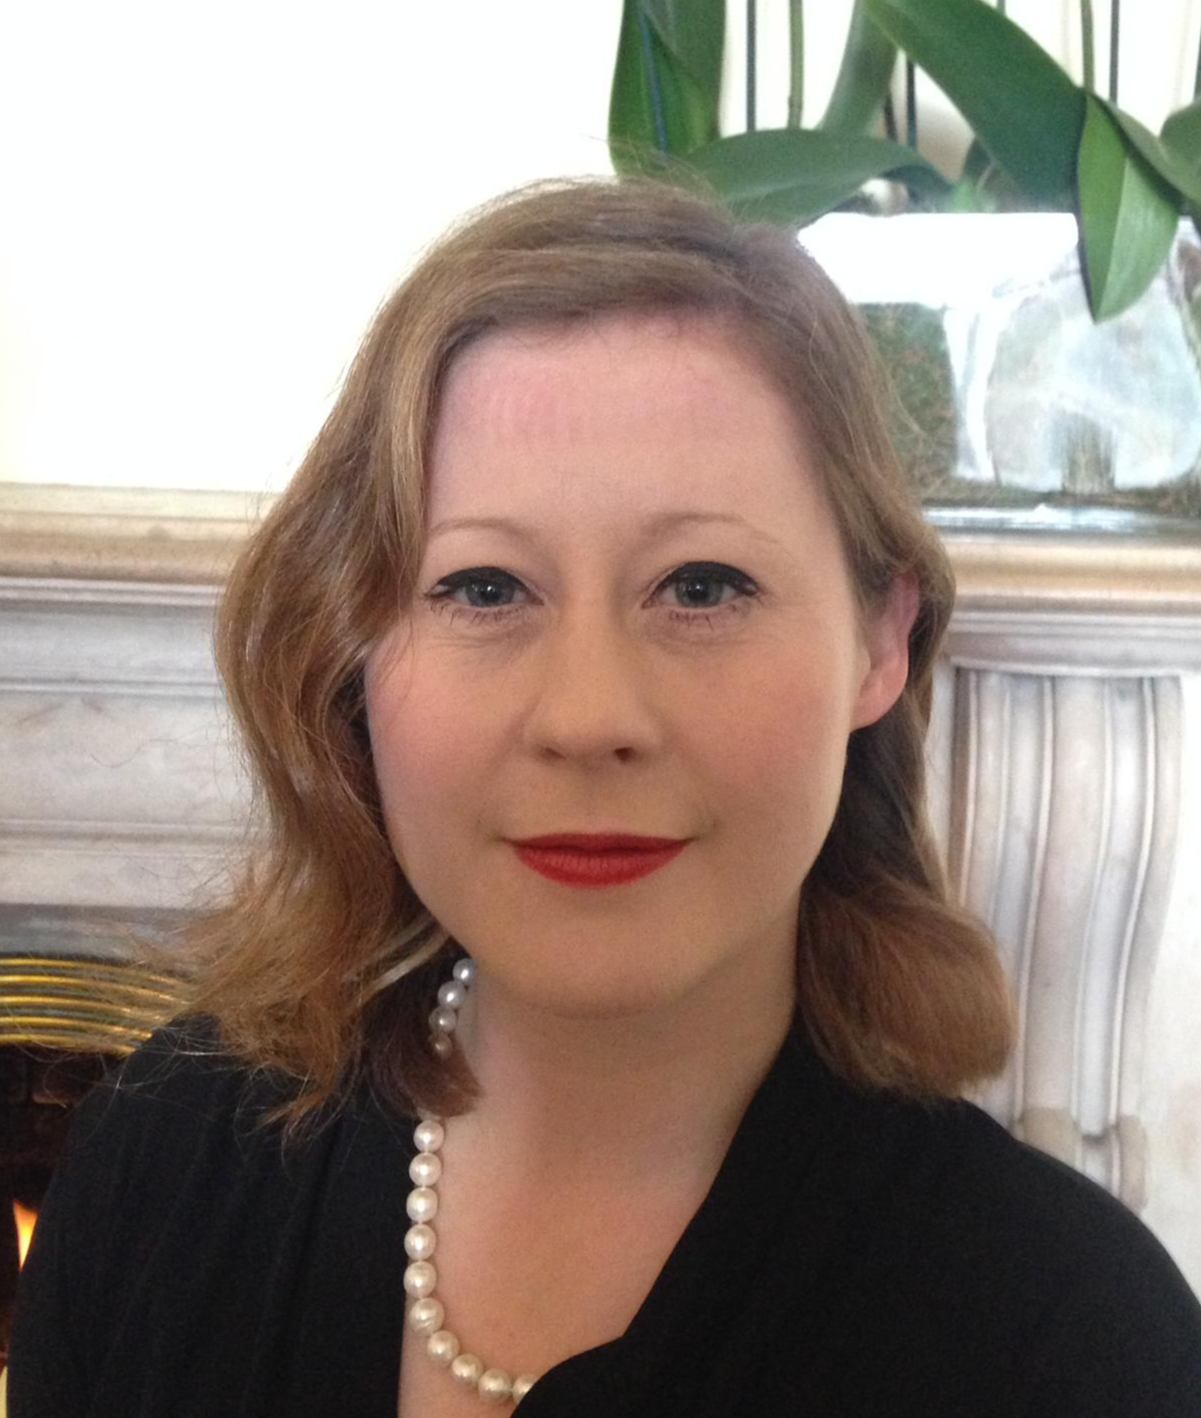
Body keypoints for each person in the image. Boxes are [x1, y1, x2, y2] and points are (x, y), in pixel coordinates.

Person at [8, 175, 1201, 1418]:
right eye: (483, 588)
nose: (586, 716)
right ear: (349, 651)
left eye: (702, 586)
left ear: (879, 640)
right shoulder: (161, 1160)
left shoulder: (1075, 1344)